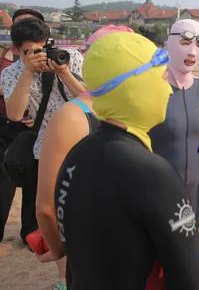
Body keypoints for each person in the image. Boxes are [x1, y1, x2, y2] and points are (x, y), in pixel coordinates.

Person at [54, 31, 199, 289]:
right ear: (132, 91)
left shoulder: (77, 154)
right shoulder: (152, 172)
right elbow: (194, 277)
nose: (168, 89)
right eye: (161, 77)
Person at [35, 25, 123, 290]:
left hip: (118, 241)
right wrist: (59, 249)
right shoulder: (74, 117)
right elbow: (46, 208)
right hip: (96, 243)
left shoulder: (81, 114)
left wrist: (59, 248)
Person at [0, 16, 85, 248]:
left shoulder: (71, 58)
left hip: (82, 141)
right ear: (17, 50)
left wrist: (64, 72)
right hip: (45, 147)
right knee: (47, 207)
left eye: (42, 46)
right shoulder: (11, 73)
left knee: (83, 202)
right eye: (30, 51)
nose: (39, 54)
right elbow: (15, 114)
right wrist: (27, 72)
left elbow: (92, 100)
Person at [149, 19, 199, 225]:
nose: (193, 52)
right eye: (185, 43)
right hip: (155, 183)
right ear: (169, 44)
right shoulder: (150, 86)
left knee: (189, 239)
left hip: (194, 182)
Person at [0, 10, 38, 243]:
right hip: (6, 127)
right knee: (4, 180)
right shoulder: (5, 60)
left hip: (37, 128)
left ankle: (31, 234)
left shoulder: (52, 59)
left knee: (35, 184)